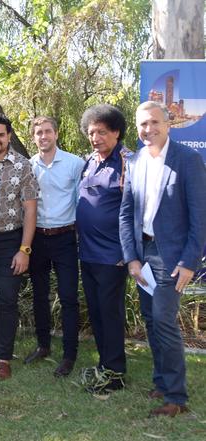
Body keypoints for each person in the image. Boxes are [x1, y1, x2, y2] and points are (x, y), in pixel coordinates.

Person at [120, 101, 206, 417]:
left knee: (165, 321)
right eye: (143, 124)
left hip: (172, 257)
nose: (148, 129)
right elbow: (126, 212)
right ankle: (160, 381)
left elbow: (200, 217)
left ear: (168, 124)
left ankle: (176, 398)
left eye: (155, 122)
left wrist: (189, 262)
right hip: (144, 254)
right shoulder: (136, 160)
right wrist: (131, 258)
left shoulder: (189, 159)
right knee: (152, 319)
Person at [76, 104, 131, 394]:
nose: (95, 137)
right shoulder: (90, 161)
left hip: (114, 256)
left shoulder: (127, 162)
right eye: (91, 132)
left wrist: (129, 252)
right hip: (88, 253)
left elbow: (135, 209)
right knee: (96, 313)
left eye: (101, 132)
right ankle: (104, 365)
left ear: (116, 131)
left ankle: (115, 375)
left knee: (110, 314)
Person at [0, 114, 38, 380]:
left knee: (8, 299)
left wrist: (24, 249)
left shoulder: (22, 166)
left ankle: (4, 357)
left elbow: (30, 210)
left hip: (9, 241)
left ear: (9, 136)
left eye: (0, 135)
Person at [24, 116, 84, 377]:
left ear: (56, 134)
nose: (43, 136)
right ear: (34, 137)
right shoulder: (28, 166)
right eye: (39, 133)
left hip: (65, 238)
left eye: (48, 131)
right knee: (39, 295)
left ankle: (70, 355)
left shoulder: (74, 164)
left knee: (69, 297)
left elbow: (84, 201)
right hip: (37, 238)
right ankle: (43, 346)